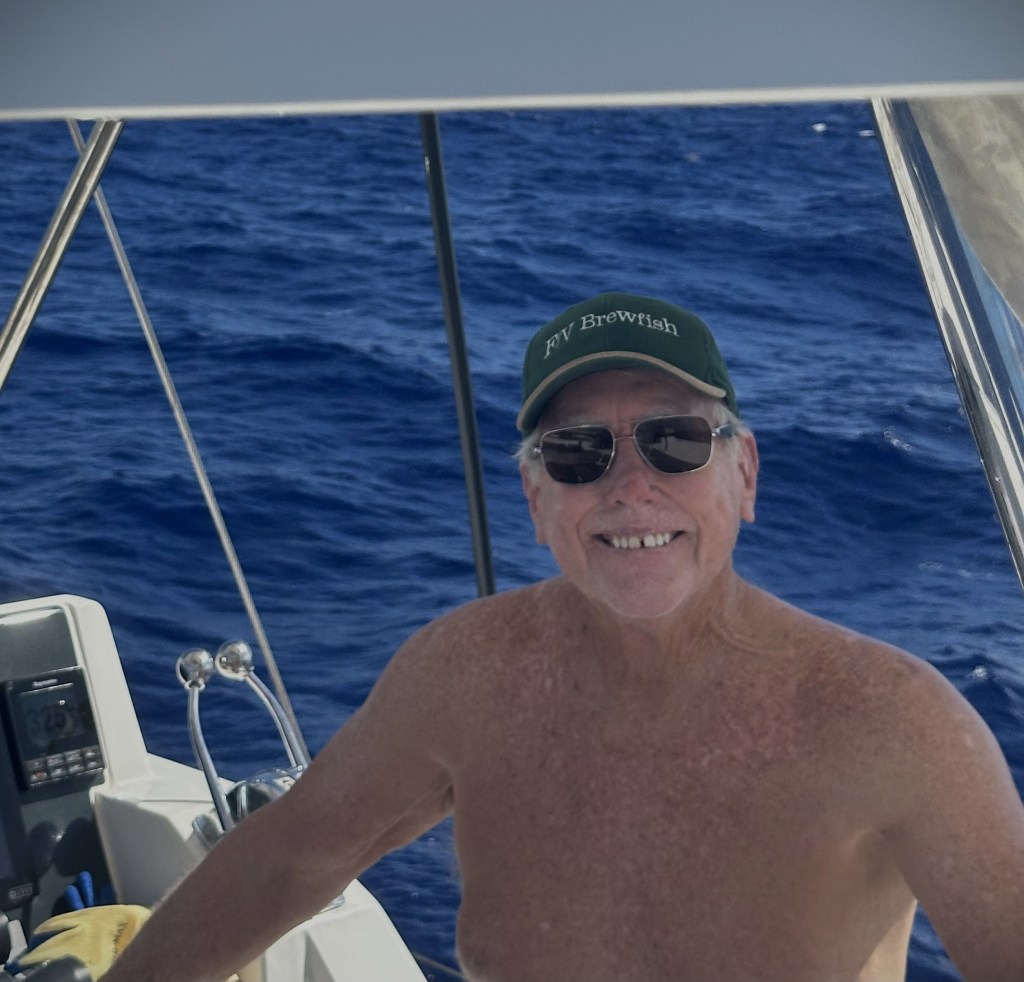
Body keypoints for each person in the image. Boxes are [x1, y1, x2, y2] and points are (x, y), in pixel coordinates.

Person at [94, 291, 1024, 981]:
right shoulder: (463, 677)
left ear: (744, 473)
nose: (630, 487)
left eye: (674, 442)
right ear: (538, 502)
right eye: (580, 454)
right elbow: (288, 861)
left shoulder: (893, 723)